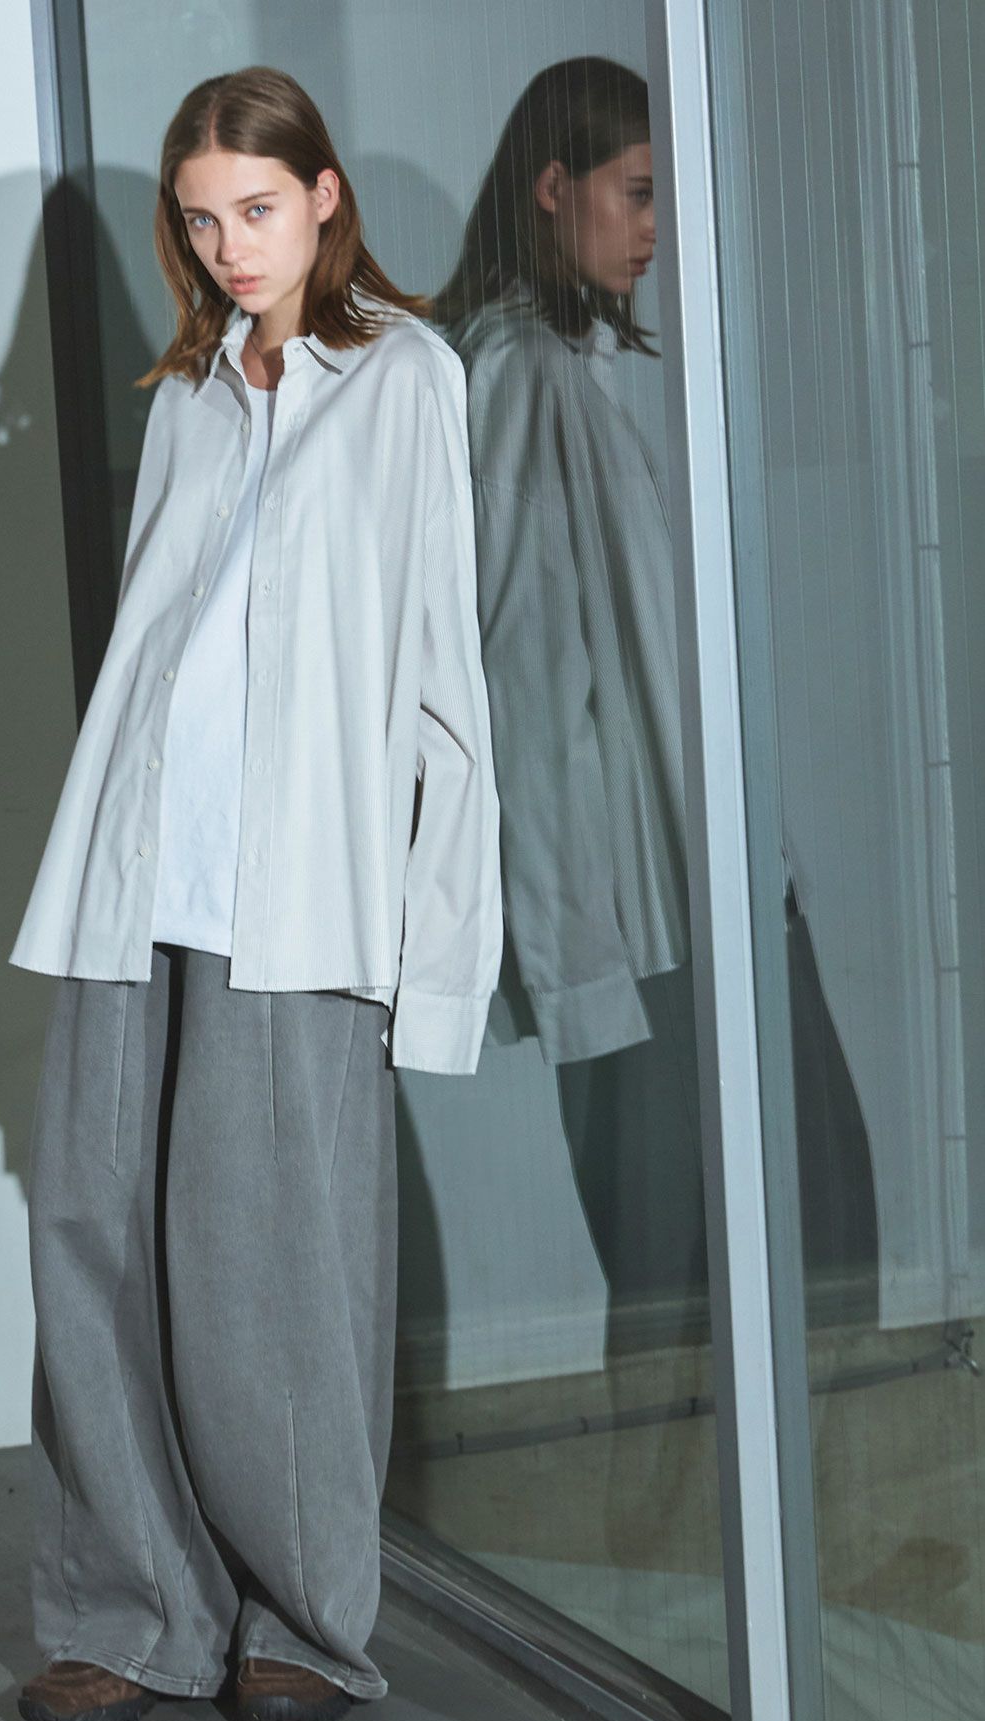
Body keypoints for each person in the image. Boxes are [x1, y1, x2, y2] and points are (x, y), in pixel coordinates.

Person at [7, 65, 501, 1721]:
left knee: (280, 1269)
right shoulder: (189, 394)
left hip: (297, 900)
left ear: (327, 197)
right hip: (134, 877)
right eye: (204, 218)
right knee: (92, 1243)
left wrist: (438, 962)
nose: (232, 245)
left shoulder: (408, 379)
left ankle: (301, 1618)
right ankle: (129, 1609)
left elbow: (441, 679)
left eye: (260, 209)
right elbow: (155, 651)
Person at [436, 57, 876, 1353]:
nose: (655, 229)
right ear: (552, 188)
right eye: (636, 193)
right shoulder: (520, 377)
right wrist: (579, 977)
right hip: (652, 938)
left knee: (794, 1258)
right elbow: (521, 699)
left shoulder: (552, 376)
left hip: (699, 910)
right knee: (714, 1286)